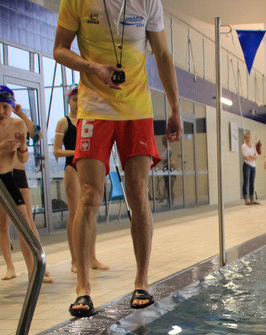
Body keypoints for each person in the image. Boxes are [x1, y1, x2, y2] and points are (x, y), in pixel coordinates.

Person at [54, 0, 181, 316]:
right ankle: (82, 288)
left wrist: (175, 107)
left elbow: (163, 55)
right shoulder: (76, 1)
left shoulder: (148, 2)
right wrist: (92, 68)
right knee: (89, 196)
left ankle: (141, 282)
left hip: (136, 110)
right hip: (94, 109)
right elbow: (59, 49)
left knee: (137, 193)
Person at [0, 85, 54, 287]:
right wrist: (1, 147)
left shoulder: (18, 124)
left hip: (7, 176)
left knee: (25, 223)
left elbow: (24, 157)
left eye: (5, 107)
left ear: (11, 107)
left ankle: (33, 270)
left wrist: (22, 147)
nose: (0, 111)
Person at [53, 84, 108, 273]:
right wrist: (78, 151)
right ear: (69, 101)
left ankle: (92, 258)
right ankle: (75, 260)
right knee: (75, 213)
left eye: (81, 99)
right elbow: (56, 151)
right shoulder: (64, 122)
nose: (78, 103)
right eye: (75, 99)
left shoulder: (90, 122)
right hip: (72, 168)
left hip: (89, 167)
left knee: (90, 213)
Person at [241, 132, 260, 205]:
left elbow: (256, 156)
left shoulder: (253, 146)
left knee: (252, 182)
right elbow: (247, 157)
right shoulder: (244, 146)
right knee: (246, 182)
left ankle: (252, 198)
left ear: (250, 138)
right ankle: (246, 198)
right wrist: (252, 157)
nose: (248, 139)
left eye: (249, 137)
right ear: (244, 138)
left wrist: (252, 157)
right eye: (246, 137)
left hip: (253, 166)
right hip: (247, 165)